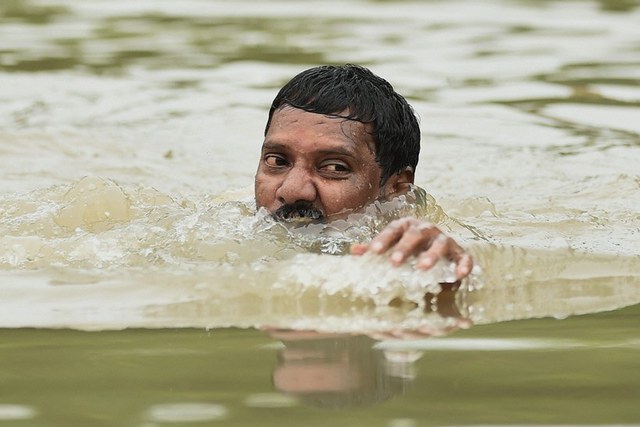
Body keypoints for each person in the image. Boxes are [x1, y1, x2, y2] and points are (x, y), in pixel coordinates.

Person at [254, 64, 473, 279]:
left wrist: (444, 281)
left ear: (396, 188)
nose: (292, 190)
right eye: (277, 161)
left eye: (334, 167)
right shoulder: (227, 224)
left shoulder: (431, 251)